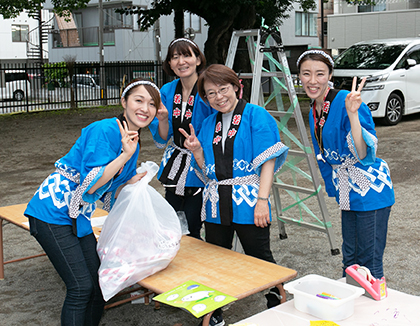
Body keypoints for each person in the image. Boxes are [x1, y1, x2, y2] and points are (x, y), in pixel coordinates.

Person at [24, 79, 161, 326]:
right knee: (80, 287)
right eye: (138, 100)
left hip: (78, 216)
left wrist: (129, 184)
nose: (145, 108)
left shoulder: (132, 139)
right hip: (51, 212)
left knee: (99, 285)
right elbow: (91, 183)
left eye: (152, 104)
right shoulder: (105, 130)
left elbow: (109, 188)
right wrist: (125, 156)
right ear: (124, 102)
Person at [179, 64, 289, 326]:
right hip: (217, 201)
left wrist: (262, 201)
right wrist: (196, 151)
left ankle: (278, 306)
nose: (219, 97)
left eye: (223, 89)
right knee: (216, 258)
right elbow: (209, 172)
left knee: (260, 257)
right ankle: (213, 315)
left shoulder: (256, 115)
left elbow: (268, 161)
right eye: (211, 93)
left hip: (249, 200)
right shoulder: (207, 123)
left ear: (237, 87)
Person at [296, 50, 395, 279]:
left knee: (368, 263)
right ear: (298, 76)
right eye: (306, 74)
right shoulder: (315, 108)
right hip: (348, 190)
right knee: (350, 260)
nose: (312, 81)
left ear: (330, 74)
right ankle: (351, 308)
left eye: (320, 74)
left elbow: (362, 152)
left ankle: (374, 311)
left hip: (371, 190)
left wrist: (352, 114)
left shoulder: (346, 100)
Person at [149, 38, 215, 239]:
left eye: (187, 55)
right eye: (175, 57)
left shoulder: (209, 89)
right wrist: (162, 120)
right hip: (175, 164)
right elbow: (162, 138)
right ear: (169, 63)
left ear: (198, 59)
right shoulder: (167, 91)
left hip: (201, 163)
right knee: (173, 224)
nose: (181, 61)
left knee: (194, 226)